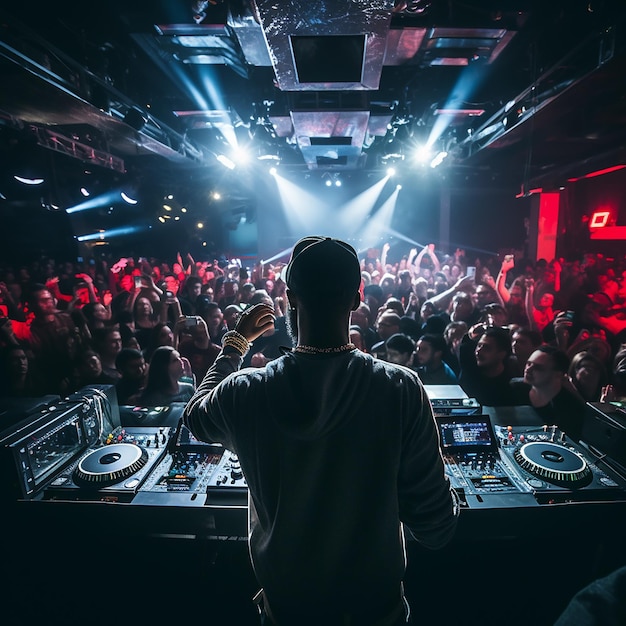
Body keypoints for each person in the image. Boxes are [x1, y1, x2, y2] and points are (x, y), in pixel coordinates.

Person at [184, 235, 459, 626]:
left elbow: (195, 415)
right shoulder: (400, 388)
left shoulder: (246, 391)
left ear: (290, 298)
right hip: (376, 612)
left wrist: (235, 343)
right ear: (357, 299)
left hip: (287, 611)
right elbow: (436, 528)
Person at [510, 345, 585, 441]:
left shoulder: (571, 409)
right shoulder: (514, 388)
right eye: (528, 364)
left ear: (558, 374)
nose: (528, 369)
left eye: (538, 367)